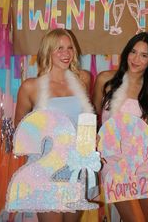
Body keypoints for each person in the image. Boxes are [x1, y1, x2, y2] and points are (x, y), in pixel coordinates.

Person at [14, 28, 94, 222]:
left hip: (77, 166)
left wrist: (92, 138)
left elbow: (86, 120)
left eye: (69, 48)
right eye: (59, 48)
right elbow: (20, 131)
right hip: (46, 168)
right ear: (47, 51)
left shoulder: (83, 79)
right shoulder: (30, 86)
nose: (66, 54)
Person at [93, 32, 148, 222]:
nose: (136, 59)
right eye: (133, 52)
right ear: (126, 52)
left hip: (143, 163)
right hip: (112, 161)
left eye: (144, 55)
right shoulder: (105, 80)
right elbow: (94, 116)